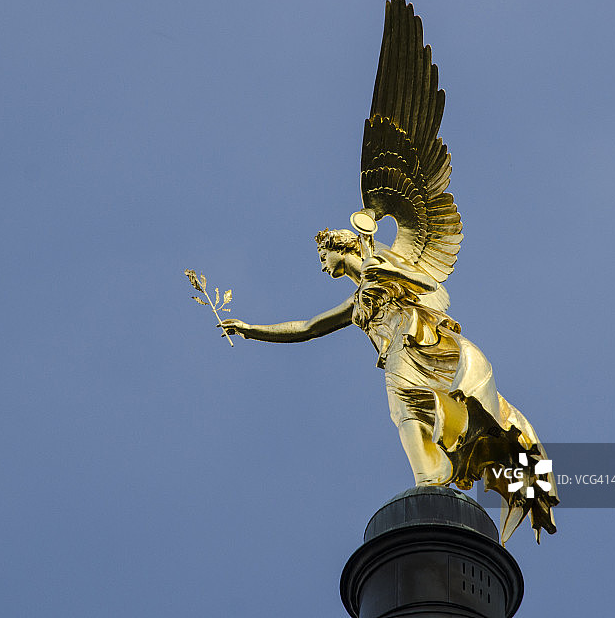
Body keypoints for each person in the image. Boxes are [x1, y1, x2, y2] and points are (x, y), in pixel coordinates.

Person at [220, 228, 558, 543]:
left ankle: (430, 479)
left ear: (341, 247)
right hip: (397, 354)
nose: (323, 266)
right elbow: (309, 327)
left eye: (324, 256)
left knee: (407, 410)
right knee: (407, 413)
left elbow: (428, 285)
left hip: (417, 343)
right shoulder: (356, 299)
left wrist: (392, 272)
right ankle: (429, 478)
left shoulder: (380, 265)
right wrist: (252, 329)